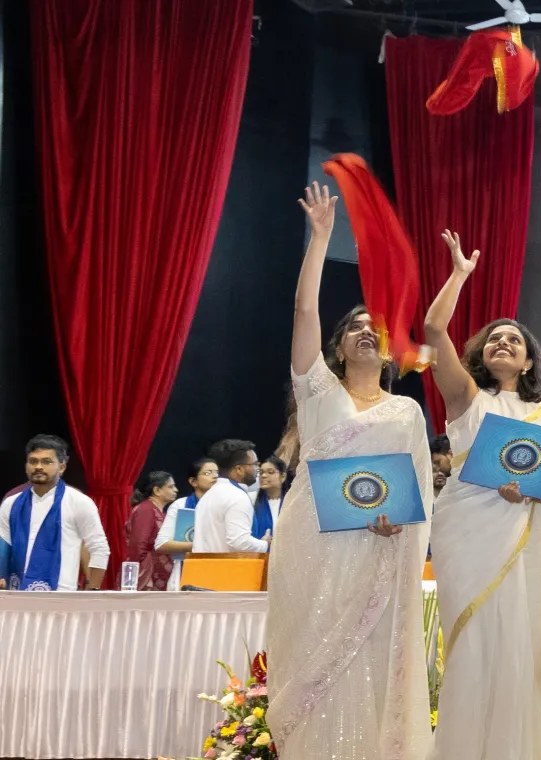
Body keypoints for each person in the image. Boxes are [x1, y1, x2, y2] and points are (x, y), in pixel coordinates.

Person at [263, 181, 432, 759]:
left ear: (389, 352)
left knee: (368, 657)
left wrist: (398, 526)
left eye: (377, 329)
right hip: (311, 544)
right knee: (310, 651)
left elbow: (415, 495)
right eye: (356, 325)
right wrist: (321, 239)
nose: (366, 330)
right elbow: (304, 309)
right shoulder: (317, 393)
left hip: (378, 549)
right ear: (339, 349)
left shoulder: (406, 410)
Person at [425, 228, 541, 760]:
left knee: (522, 659)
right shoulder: (466, 398)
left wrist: (535, 496)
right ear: (480, 352)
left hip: (531, 557)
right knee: (476, 657)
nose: (503, 342)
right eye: (494, 338)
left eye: (514, 341)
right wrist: (459, 274)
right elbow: (432, 328)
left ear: (528, 363)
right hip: (473, 548)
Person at [1, 435, 110, 591]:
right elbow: (3, 547)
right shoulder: (11, 503)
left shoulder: (79, 502)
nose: (38, 466)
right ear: (26, 466)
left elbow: (99, 548)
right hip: (16, 595)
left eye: (47, 461)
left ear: (61, 467)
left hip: (62, 595)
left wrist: (93, 589)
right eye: (33, 461)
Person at [192, 439, 267, 554]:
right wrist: (265, 544)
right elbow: (239, 543)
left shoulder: (209, 495)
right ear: (239, 469)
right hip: (226, 570)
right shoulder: (237, 496)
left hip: (204, 569)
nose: (257, 470)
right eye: (255, 464)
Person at [156, 458, 218, 590]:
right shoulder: (181, 505)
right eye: (208, 473)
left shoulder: (225, 505)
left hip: (220, 569)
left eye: (217, 472)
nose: (215, 476)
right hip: (185, 571)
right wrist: (202, 545)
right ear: (193, 481)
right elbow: (161, 544)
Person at [125, 471, 187, 591]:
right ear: (157, 490)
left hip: (158, 575)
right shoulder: (145, 509)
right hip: (146, 577)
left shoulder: (159, 512)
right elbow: (138, 548)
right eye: (170, 486)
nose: (176, 490)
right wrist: (143, 578)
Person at [251, 456, 287, 543]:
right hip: (259, 553)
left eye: (270, 472)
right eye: (261, 472)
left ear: (282, 476)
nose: (263, 476)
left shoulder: (292, 501)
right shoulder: (251, 499)